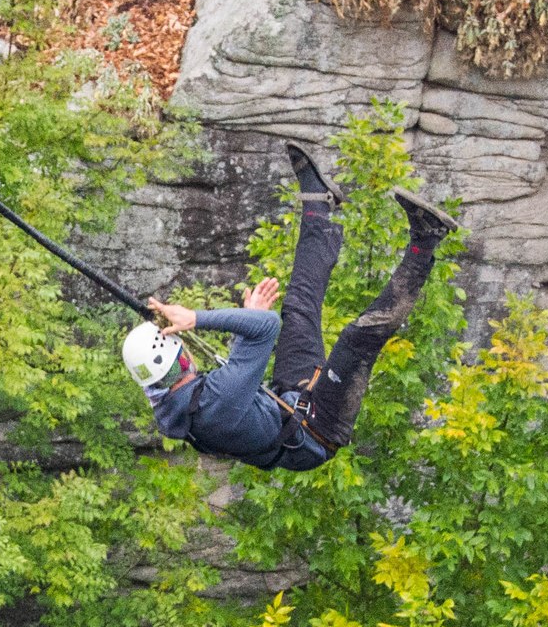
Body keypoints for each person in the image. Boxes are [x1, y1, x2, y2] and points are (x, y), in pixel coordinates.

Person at [123, 144, 456, 470]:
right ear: (181, 359)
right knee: (357, 338)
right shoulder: (215, 401)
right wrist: (196, 318)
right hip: (318, 428)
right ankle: (425, 241)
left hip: (291, 402)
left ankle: (319, 205)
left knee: (298, 305)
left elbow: (241, 372)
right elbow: (265, 329)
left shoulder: (176, 407)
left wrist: (248, 323)